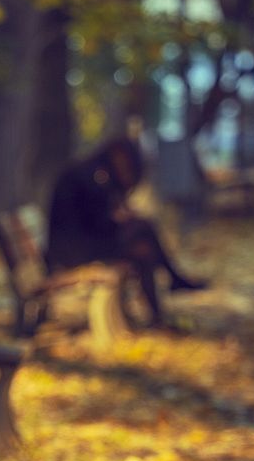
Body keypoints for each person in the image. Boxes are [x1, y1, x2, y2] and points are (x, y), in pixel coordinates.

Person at [44, 137, 208, 329]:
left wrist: (119, 218)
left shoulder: (92, 173)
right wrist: (119, 219)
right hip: (73, 255)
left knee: (144, 250)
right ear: (118, 155)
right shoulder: (89, 176)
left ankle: (158, 315)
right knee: (143, 229)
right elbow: (93, 224)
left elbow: (96, 221)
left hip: (78, 248)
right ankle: (172, 282)